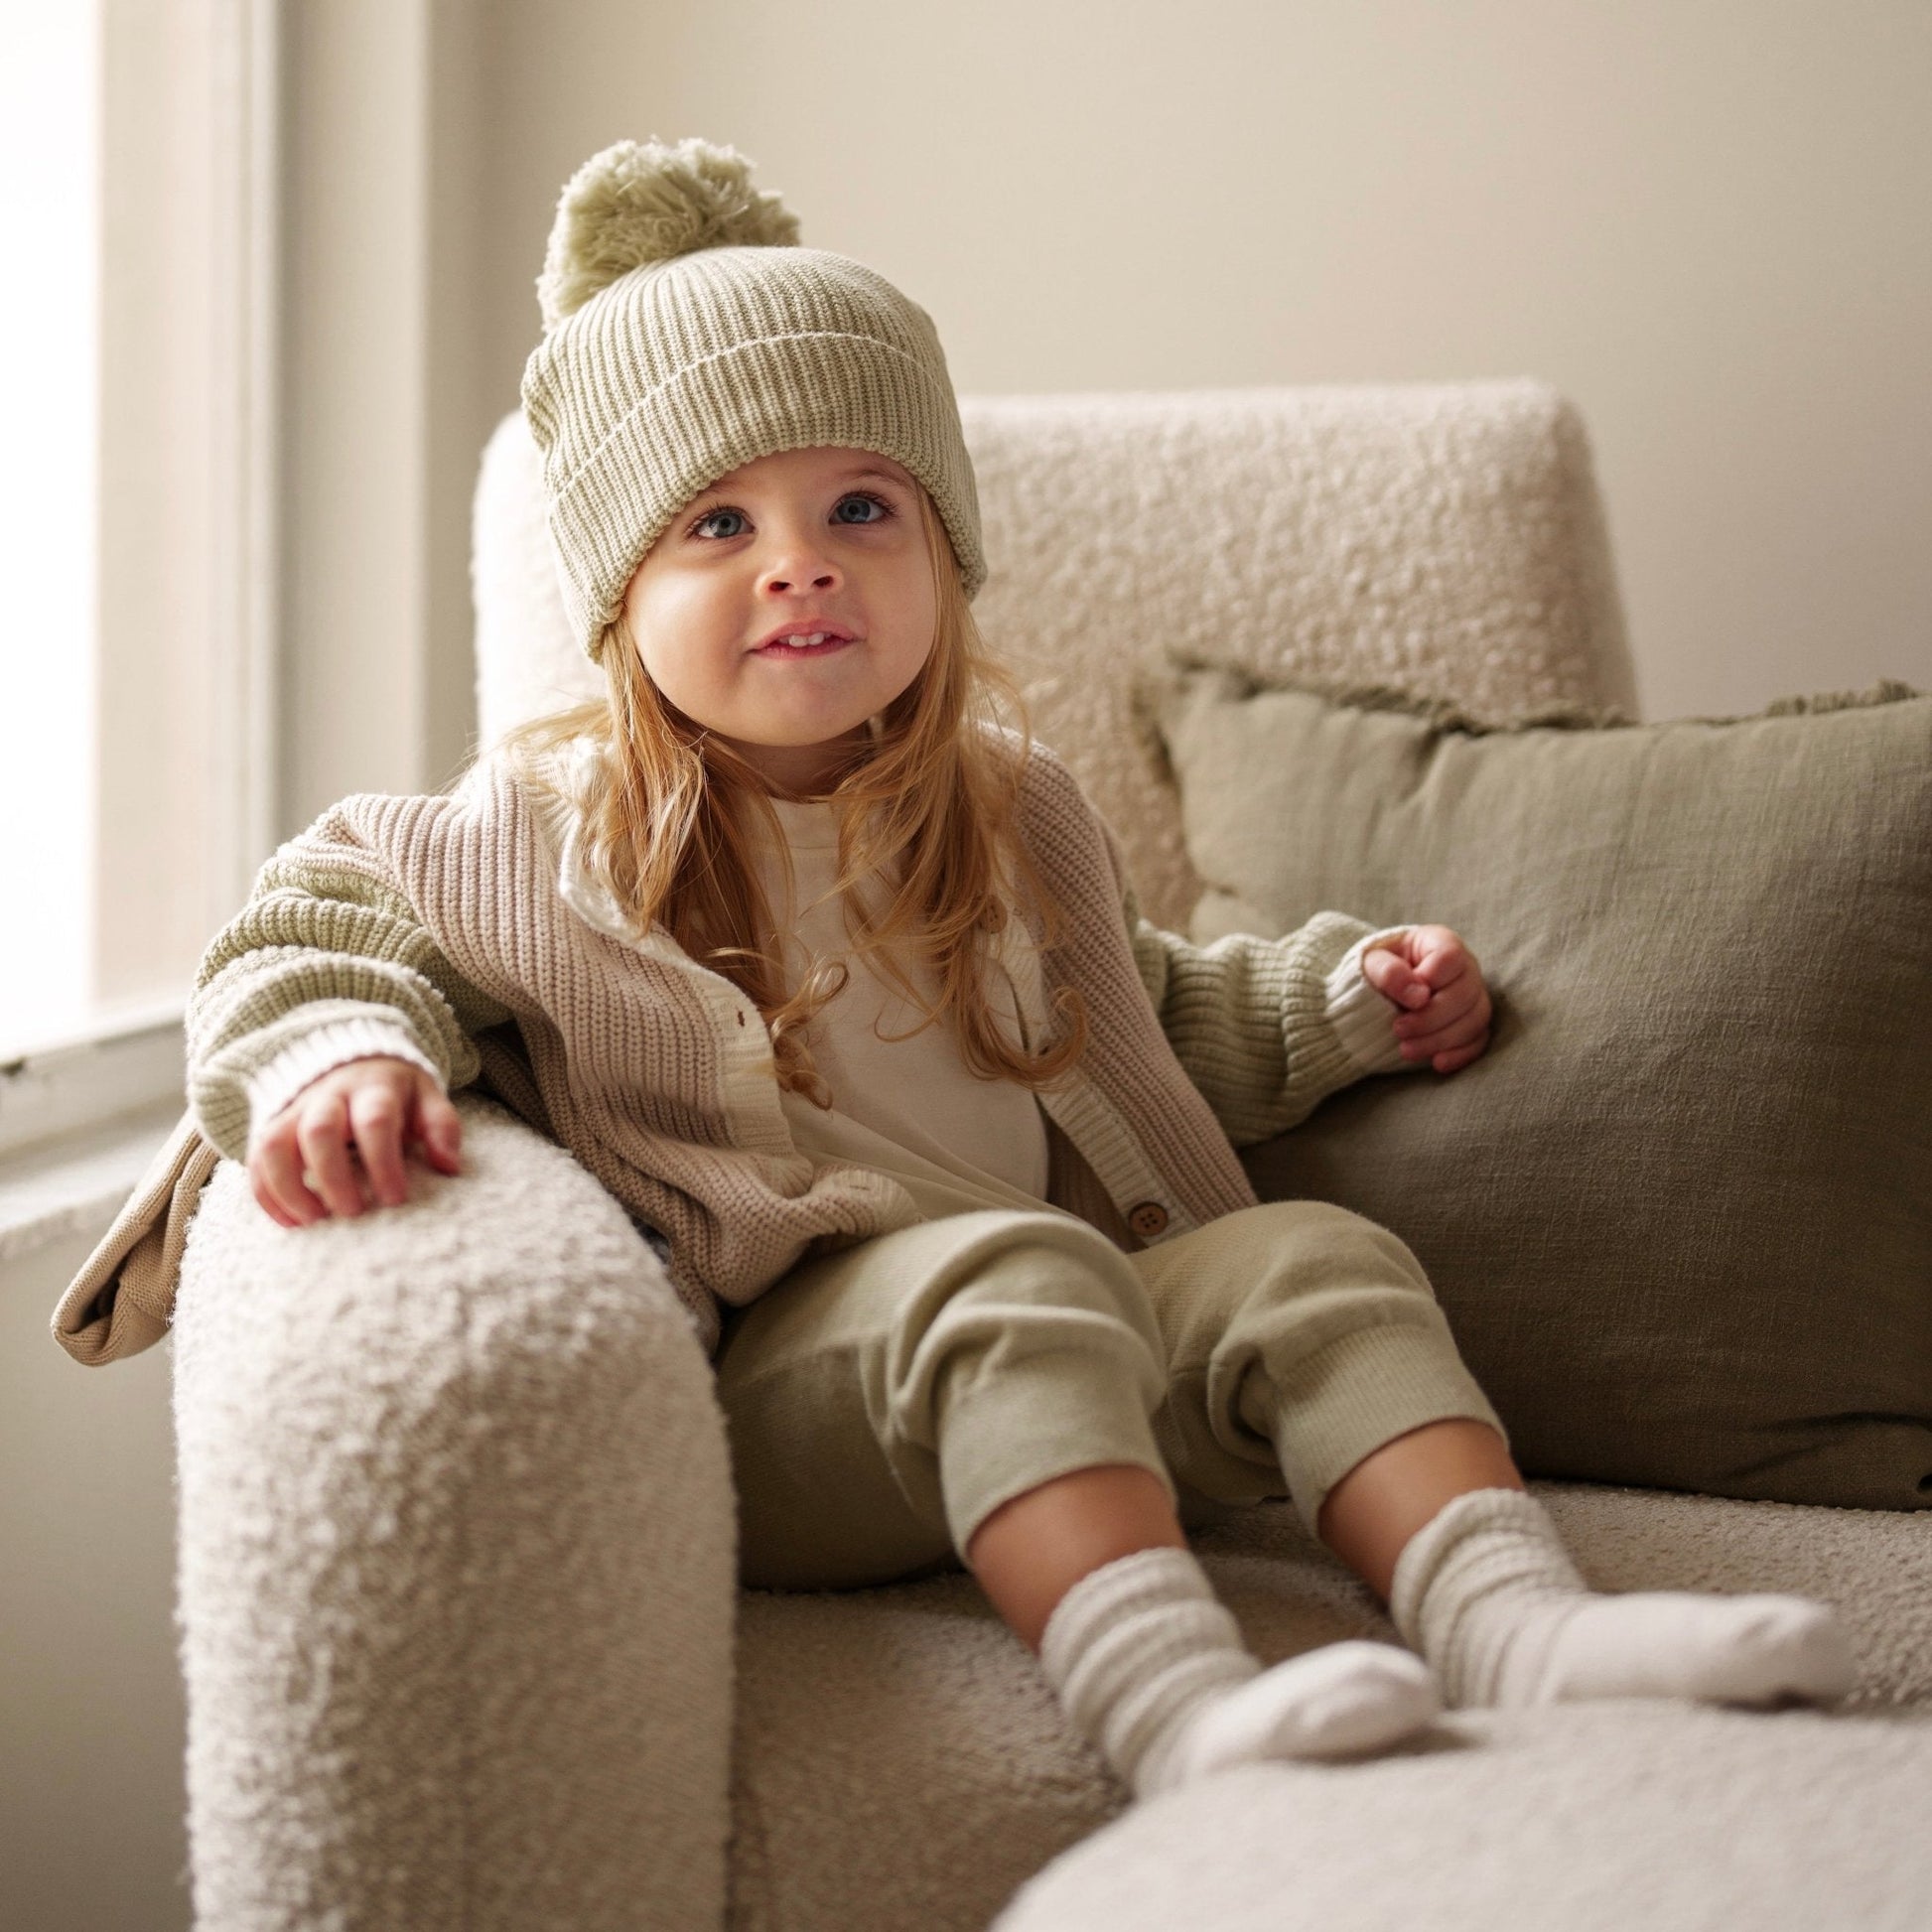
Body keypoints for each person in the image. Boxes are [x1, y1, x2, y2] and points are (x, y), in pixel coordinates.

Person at [199, 137, 1854, 1803]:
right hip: (799, 1405)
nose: (800, 561)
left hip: (1076, 1329)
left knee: (1312, 1260)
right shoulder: (544, 834)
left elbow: (1142, 1017)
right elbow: (317, 920)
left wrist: (1342, 1001)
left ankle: (1514, 1624)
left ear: (944, 554)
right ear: (621, 596)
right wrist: (343, 1055)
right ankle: (1174, 1708)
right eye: (718, 521)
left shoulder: (1004, 809)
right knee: (1013, 1282)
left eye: (861, 508)